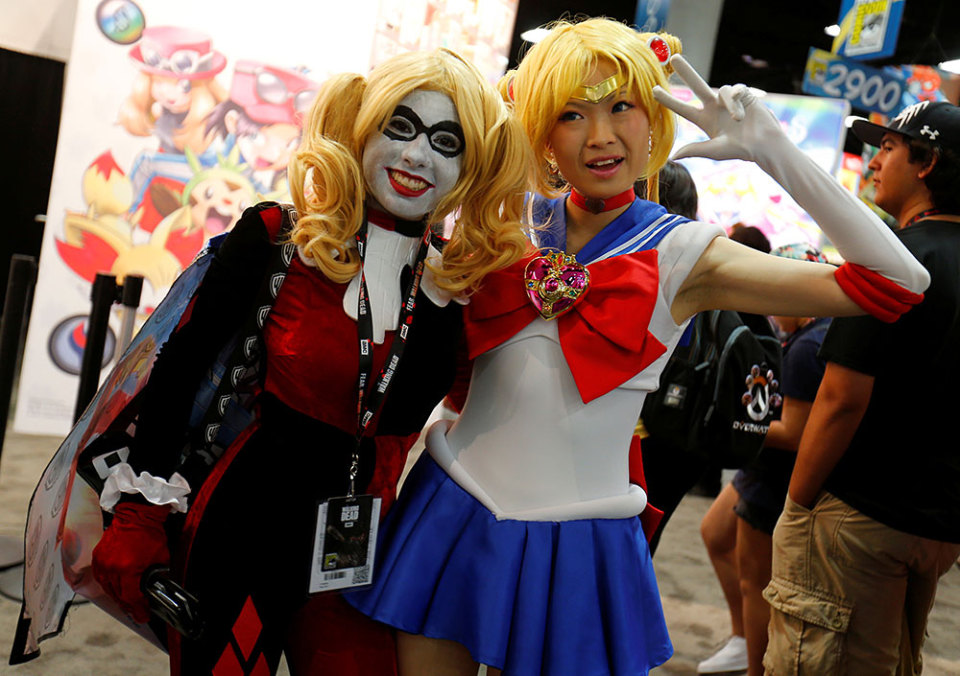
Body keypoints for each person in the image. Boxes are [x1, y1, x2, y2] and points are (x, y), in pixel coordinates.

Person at [347, 17, 929, 676]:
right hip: (453, 504)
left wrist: (775, 154)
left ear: (652, 118)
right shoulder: (503, 221)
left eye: (621, 106)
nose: (600, 135)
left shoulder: (685, 252)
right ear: (542, 134)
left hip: (579, 536)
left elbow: (898, 283)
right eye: (571, 114)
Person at [89, 48, 532, 675]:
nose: (415, 155)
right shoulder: (279, 238)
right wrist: (140, 513)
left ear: (472, 166)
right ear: (362, 129)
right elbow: (179, 370)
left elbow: (481, 407)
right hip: (243, 530)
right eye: (399, 128)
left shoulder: (458, 287)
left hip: (359, 552)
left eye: (446, 142)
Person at [765, 101, 960, 674]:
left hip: (857, 520)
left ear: (926, 162)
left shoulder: (893, 260)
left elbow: (841, 398)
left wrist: (796, 507)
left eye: (889, 148)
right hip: (936, 528)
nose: (873, 161)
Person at [698, 244, 830, 676]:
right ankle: (743, 640)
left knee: (756, 583)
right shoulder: (807, 334)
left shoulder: (808, 347)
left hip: (773, 478)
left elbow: (793, 434)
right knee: (715, 533)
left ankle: (757, 662)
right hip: (759, 471)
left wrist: (728, 422)